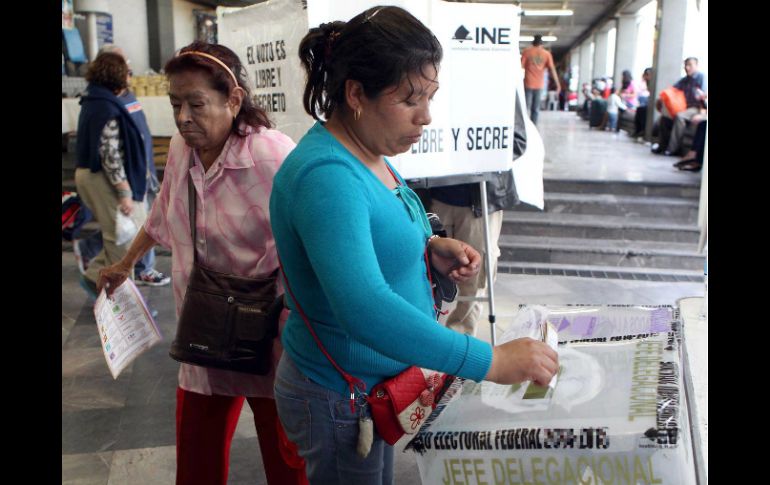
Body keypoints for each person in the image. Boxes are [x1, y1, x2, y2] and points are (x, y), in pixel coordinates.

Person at [269, 7, 559, 484]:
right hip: (340, 394)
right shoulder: (327, 176)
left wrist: (429, 249)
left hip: (372, 388)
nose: (425, 116)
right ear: (355, 94)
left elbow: (365, 241)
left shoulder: (366, 152)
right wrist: (490, 361)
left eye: (429, 97)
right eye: (409, 100)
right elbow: (364, 307)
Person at [97, 42, 307, 485]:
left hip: (271, 334)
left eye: (196, 104)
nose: (183, 118)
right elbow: (163, 211)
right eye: (176, 104)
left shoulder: (272, 155)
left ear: (233, 100)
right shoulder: (182, 148)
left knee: (287, 463)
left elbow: (317, 234)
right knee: (196, 461)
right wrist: (126, 263)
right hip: (205, 329)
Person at [427, 92, 527, 336]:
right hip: (433, 195)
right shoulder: (430, 76)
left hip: (480, 201)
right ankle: (427, 339)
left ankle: (461, 345)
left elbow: (516, 141)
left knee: (474, 278)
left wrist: (468, 149)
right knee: (424, 274)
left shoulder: (496, 80)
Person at [73, 44, 170, 288]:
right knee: (122, 240)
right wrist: (124, 192)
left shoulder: (101, 99)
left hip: (105, 177)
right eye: (127, 71)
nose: (130, 75)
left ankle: (96, 279)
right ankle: (111, 293)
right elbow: (110, 154)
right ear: (115, 74)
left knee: (127, 237)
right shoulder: (104, 105)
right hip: (104, 179)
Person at [653, 57, 707, 155]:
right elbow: (671, 90)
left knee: (680, 116)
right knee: (664, 118)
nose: (687, 67)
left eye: (690, 65)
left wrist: (702, 113)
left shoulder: (701, 77)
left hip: (696, 108)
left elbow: (704, 96)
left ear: (696, 65)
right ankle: (662, 146)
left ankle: (672, 149)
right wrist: (661, 99)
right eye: (685, 65)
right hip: (684, 107)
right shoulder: (684, 80)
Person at [521, 34, 560, 124]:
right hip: (539, 85)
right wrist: (558, 84)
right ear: (541, 44)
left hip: (528, 83)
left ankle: (524, 126)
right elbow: (552, 69)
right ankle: (534, 126)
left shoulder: (526, 52)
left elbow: (520, 67)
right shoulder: (546, 54)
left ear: (533, 43)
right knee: (536, 109)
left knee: (525, 107)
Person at [631, 67, 652, 138]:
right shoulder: (647, 82)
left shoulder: (652, 82)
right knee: (639, 109)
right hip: (648, 101)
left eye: (647, 75)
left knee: (643, 110)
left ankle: (643, 130)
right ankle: (638, 130)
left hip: (651, 104)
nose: (646, 76)